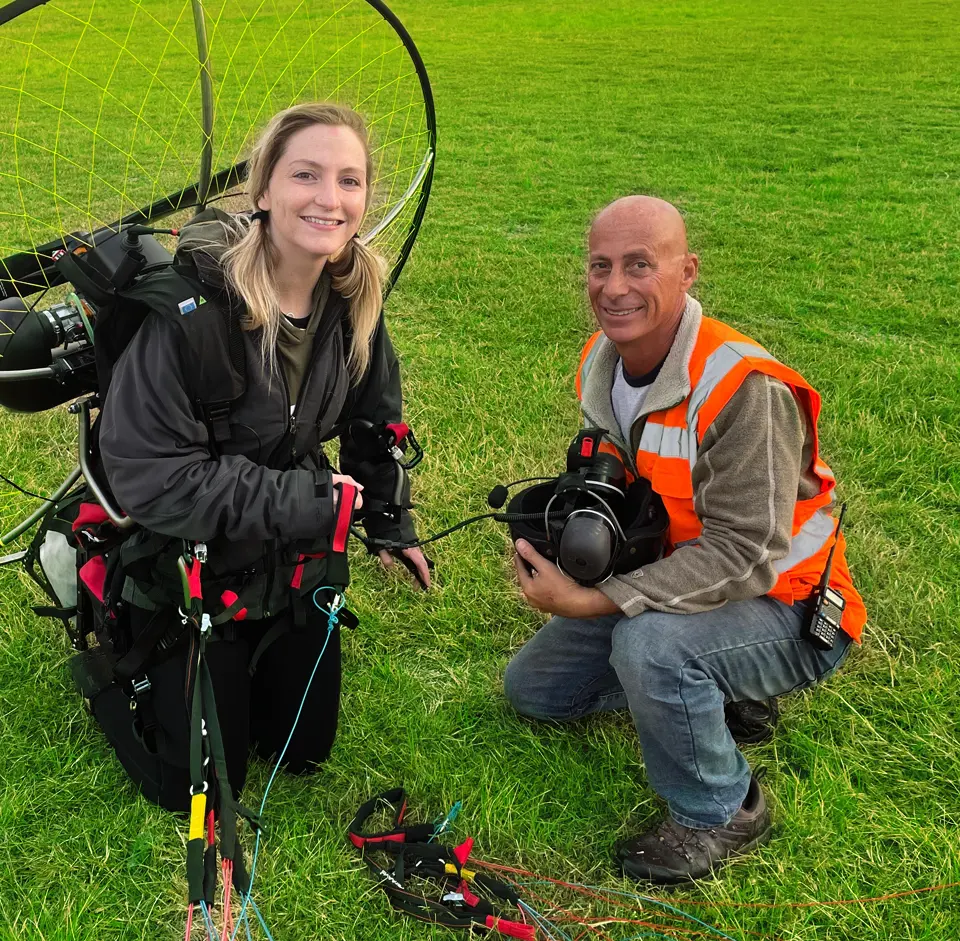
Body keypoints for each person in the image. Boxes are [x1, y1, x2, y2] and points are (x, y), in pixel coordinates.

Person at [503, 195, 866, 884]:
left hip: (791, 606)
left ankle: (721, 807)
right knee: (535, 691)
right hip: (685, 582)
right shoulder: (602, 360)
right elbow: (623, 492)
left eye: (639, 265)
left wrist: (598, 599)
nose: (614, 287)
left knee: (649, 647)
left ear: (687, 270)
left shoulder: (741, 385)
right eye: (599, 265)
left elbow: (745, 555)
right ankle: (717, 690)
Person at [95, 102, 430, 812]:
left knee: (303, 752)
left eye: (349, 180)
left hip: (292, 560)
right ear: (264, 189)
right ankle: (112, 622)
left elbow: (375, 417)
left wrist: (390, 521)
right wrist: (309, 503)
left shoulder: (353, 295)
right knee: (211, 789)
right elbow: (151, 477)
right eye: (305, 175)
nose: (329, 199)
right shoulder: (195, 313)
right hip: (191, 560)